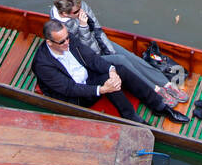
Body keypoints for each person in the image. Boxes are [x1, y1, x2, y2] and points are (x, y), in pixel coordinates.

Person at [32, 19, 190, 124]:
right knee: (106, 82)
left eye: (67, 38)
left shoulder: (70, 40)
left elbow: (92, 59)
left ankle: (160, 106)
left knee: (119, 69)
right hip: (75, 96)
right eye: (62, 41)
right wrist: (102, 89)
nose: (67, 42)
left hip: (87, 77)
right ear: (49, 42)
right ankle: (131, 117)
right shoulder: (42, 64)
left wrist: (112, 70)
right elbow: (69, 89)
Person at [50, 0, 189, 105]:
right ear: (64, 14)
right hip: (88, 57)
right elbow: (82, 49)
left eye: (81, 7)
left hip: (98, 44)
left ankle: (165, 83)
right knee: (121, 60)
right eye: (76, 12)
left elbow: (97, 29)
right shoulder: (59, 28)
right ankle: (154, 89)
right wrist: (83, 26)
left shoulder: (79, 7)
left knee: (130, 57)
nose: (81, 11)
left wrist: (108, 49)